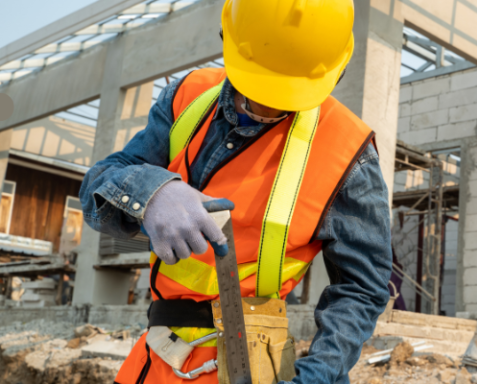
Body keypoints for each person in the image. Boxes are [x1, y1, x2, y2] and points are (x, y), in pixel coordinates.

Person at [79, 1, 393, 383]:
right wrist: (150, 192)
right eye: (260, 85)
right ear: (226, 38)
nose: (268, 105)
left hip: (251, 365)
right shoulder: (187, 97)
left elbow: (362, 288)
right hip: (158, 356)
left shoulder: (348, 153)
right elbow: (97, 187)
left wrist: (315, 377)